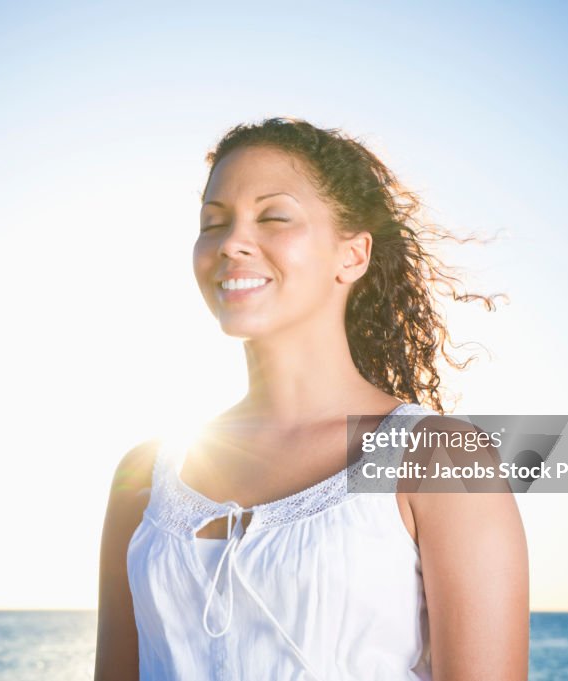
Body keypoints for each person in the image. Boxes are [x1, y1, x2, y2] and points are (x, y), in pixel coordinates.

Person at [95, 117, 529, 680]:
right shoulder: (145, 475)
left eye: (273, 216)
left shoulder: (439, 459)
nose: (231, 243)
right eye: (213, 222)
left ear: (352, 256)